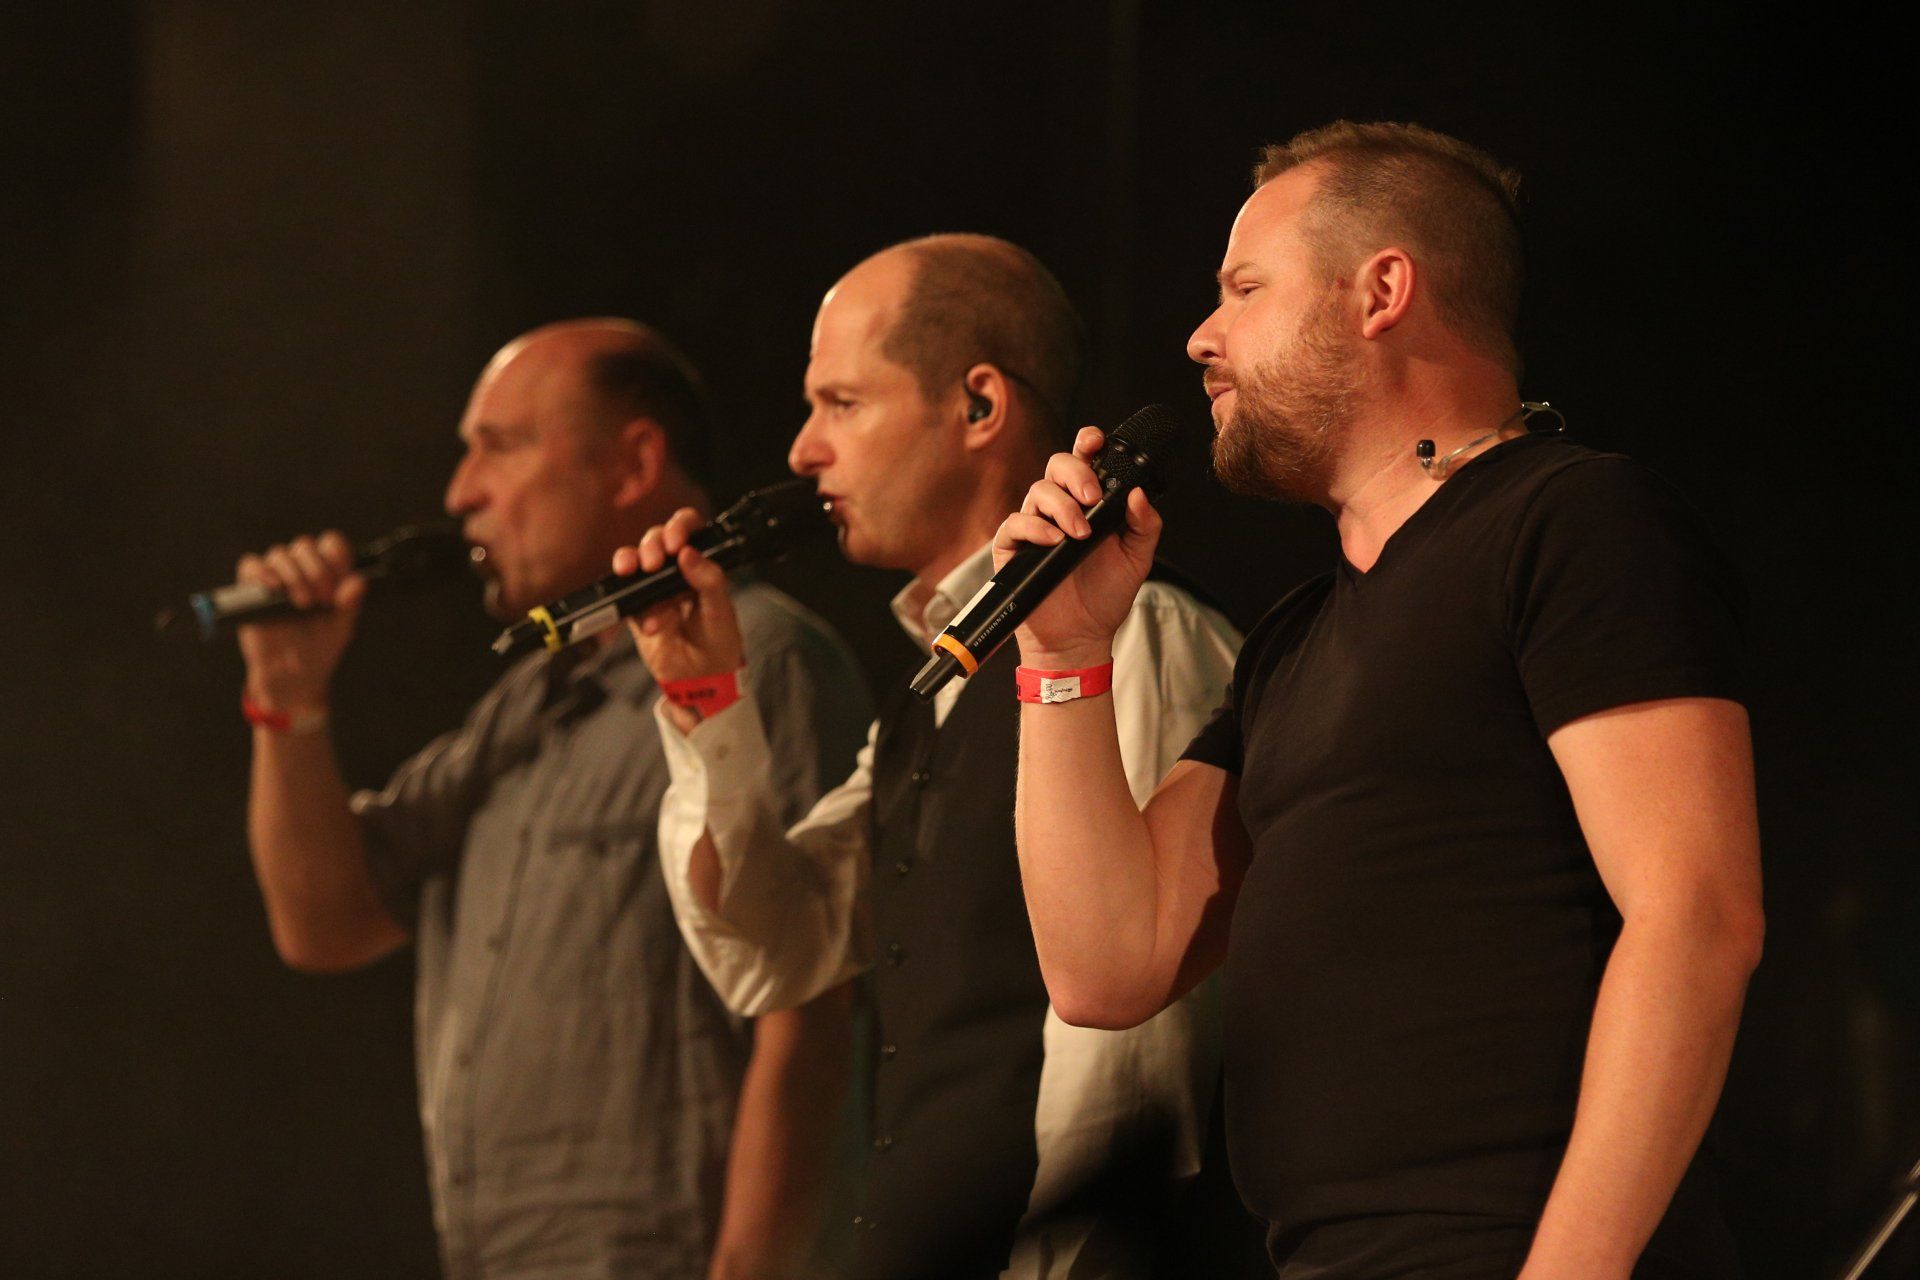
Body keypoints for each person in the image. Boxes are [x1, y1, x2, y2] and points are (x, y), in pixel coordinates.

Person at [1000, 122, 1764, 1278]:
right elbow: (1109, 965)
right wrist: (1062, 652)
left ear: (1382, 291)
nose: (1202, 336)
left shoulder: (1570, 522)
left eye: (1244, 288)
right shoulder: (1293, 641)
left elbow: (1697, 917)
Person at [619, 235, 1244, 1278]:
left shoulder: (1134, 631)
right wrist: (705, 699)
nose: (804, 452)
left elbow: (1134, 1070)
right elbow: (778, 944)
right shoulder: (937, 686)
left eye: (842, 403)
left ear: (979, 406)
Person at [232, 319, 871, 1280]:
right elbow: (326, 923)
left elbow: (811, 1009)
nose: (461, 493)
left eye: (499, 446)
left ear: (633, 465)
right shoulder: (523, 704)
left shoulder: (761, 656)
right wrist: (288, 699)